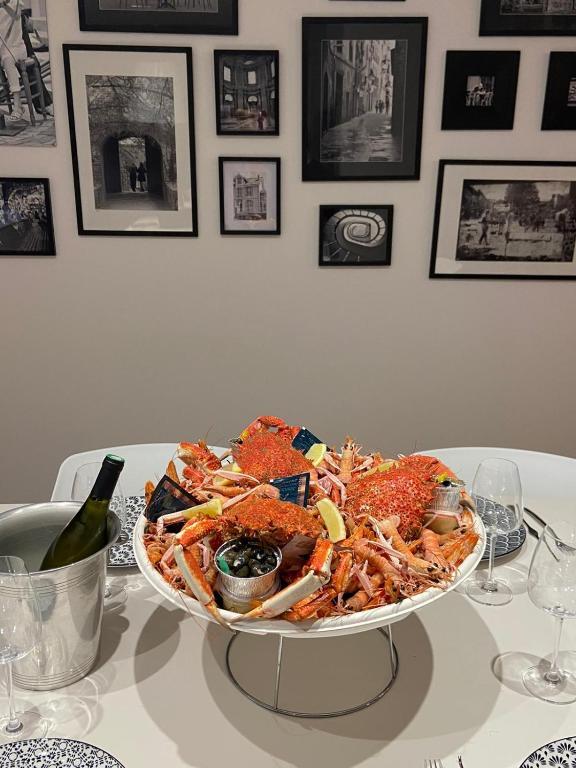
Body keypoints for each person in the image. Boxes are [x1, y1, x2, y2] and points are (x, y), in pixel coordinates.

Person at [0, 0, 27, 123]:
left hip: (17, 47)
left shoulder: (16, 2)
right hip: (3, 48)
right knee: (6, 57)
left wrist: (4, 5)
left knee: (7, 59)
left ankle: (17, 106)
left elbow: (16, 16)